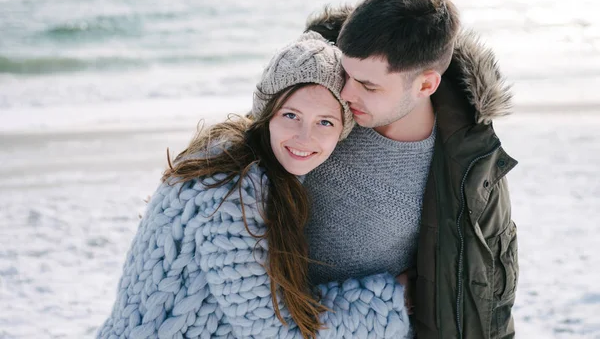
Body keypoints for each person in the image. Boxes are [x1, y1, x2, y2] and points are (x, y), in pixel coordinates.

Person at [97, 32, 411, 339]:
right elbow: (274, 329)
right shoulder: (229, 191)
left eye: (325, 122)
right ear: (267, 114)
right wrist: (397, 297)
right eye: (291, 115)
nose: (305, 137)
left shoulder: (249, 164)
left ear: (342, 131)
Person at [303, 0, 519, 339]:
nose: (345, 92)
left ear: (425, 85)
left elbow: (488, 300)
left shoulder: (471, 171)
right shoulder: (311, 108)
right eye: (346, 73)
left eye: (368, 86)